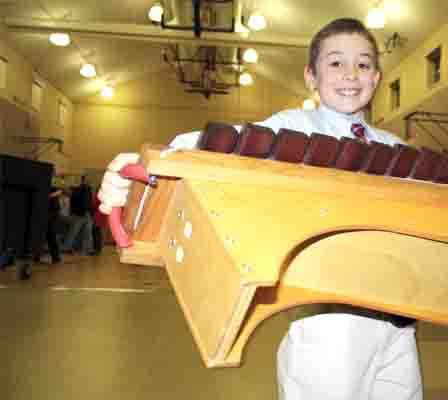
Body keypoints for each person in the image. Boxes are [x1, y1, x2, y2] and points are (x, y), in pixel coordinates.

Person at [99, 18, 422, 400]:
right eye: (335, 63)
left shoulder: (395, 147)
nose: (351, 74)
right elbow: (227, 142)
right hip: (330, 325)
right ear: (311, 77)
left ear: (377, 76)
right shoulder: (293, 128)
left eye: (363, 64)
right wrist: (147, 162)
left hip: (400, 325)